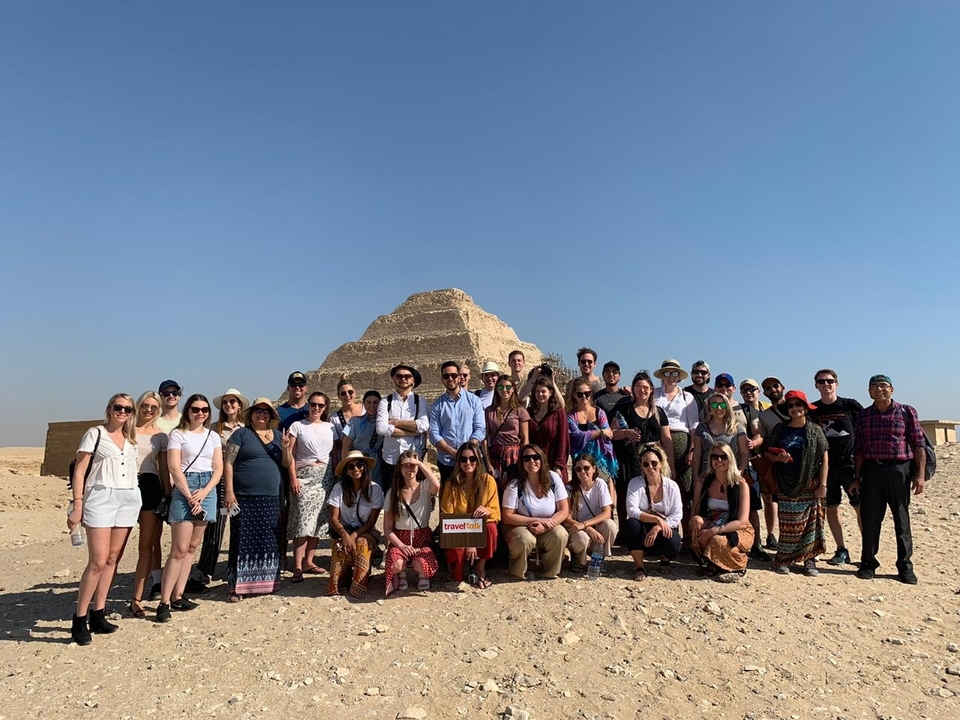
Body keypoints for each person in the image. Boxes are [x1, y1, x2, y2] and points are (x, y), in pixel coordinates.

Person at [67, 394, 141, 645]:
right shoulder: (95, 433)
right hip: (100, 497)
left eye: (128, 409)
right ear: (109, 409)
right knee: (97, 560)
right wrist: (77, 505)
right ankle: (79, 618)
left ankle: (98, 613)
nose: (122, 412)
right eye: (118, 407)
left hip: (128, 499)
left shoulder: (131, 439)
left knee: (112, 558)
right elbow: (79, 471)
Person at [852, 374, 926, 584]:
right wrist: (857, 478)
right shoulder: (864, 416)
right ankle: (868, 563)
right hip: (872, 471)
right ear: (869, 392)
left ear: (892, 389)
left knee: (901, 521)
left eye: (883, 386)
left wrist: (920, 475)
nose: (879, 390)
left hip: (899, 470)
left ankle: (905, 566)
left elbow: (918, 444)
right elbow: (859, 449)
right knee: (870, 520)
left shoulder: (906, 411)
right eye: (874, 386)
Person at [157, 394, 223, 622]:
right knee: (179, 548)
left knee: (192, 547)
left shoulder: (212, 436)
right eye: (196, 409)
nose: (200, 413)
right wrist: (189, 496)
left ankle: (178, 594)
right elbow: (174, 467)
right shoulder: (177, 434)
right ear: (188, 410)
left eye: (205, 410)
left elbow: (218, 468)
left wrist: (204, 493)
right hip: (185, 486)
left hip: (207, 489)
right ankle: (163, 602)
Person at [222, 398, 285, 602]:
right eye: (258, 410)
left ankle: (266, 582)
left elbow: (286, 463)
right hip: (244, 496)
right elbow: (228, 463)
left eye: (266, 411)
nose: (262, 414)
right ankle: (238, 586)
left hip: (271, 497)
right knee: (242, 539)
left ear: (272, 416)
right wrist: (229, 492)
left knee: (268, 539)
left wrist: (287, 448)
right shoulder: (241, 434)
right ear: (251, 414)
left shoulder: (277, 436)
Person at [764, 390, 829, 577]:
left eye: (798, 404)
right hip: (786, 483)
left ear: (805, 408)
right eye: (790, 405)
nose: (794, 408)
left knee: (812, 525)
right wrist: (779, 459)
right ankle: (784, 559)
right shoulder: (780, 428)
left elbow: (825, 459)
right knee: (789, 525)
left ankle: (809, 560)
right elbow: (767, 453)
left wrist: (822, 485)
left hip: (811, 484)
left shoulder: (815, 430)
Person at [193, 388, 249, 588]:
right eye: (226, 402)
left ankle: (236, 565)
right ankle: (205, 569)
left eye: (233, 401)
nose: (229, 405)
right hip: (220, 483)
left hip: (241, 481)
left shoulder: (247, 428)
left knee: (240, 525)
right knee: (215, 526)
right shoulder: (215, 428)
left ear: (239, 405)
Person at [609, 371, 674, 538]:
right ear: (633, 389)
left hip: (653, 461)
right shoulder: (624, 408)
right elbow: (612, 432)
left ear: (651, 389)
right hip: (629, 458)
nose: (642, 390)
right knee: (625, 493)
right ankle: (625, 532)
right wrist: (626, 433)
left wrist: (670, 465)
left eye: (645, 387)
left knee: (650, 494)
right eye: (638, 386)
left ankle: (649, 530)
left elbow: (667, 440)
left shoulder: (659, 411)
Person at [810, 369, 864, 567]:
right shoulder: (812, 410)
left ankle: (868, 551)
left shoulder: (850, 405)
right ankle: (842, 549)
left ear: (837, 384)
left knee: (860, 508)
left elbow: (866, 428)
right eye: (821, 381)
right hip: (826, 468)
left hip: (850, 466)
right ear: (816, 385)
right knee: (832, 509)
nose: (826, 385)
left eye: (830, 381)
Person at [286, 392, 335, 582]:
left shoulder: (331, 427)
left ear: (325, 407)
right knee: (303, 522)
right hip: (304, 477)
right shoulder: (297, 426)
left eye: (320, 406)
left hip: (325, 478)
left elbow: (336, 452)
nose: (316, 408)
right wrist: (293, 479)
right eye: (313, 404)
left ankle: (309, 561)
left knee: (318, 522)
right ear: (308, 405)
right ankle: (297, 566)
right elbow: (290, 454)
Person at [501, 444, 570, 580]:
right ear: (522, 462)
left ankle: (550, 572)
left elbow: (564, 510)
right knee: (524, 539)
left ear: (542, 459)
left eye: (535, 457)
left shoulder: (553, 479)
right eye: (526, 458)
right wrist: (536, 521)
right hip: (521, 526)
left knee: (560, 534)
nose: (531, 461)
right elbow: (507, 516)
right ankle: (516, 572)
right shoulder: (515, 484)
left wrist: (546, 525)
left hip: (547, 525)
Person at [689, 441, 754, 582]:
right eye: (715, 456)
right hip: (713, 522)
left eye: (723, 457)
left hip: (738, 529)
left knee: (718, 541)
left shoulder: (741, 484)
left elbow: (742, 522)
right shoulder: (703, 482)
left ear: (730, 459)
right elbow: (696, 511)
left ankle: (738, 565)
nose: (719, 460)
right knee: (695, 522)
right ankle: (712, 562)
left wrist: (714, 530)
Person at [440, 440, 500, 588]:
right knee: (457, 577)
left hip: (478, 528)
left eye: (472, 459)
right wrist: (469, 542)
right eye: (463, 459)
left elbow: (496, 513)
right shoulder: (451, 484)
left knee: (491, 527)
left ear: (478, 460)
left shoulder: (488, 481)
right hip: (457, 529)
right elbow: (448, 518)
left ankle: (480, 566)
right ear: (458, 462)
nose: (468, 462)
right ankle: (454, 567)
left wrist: (488, 511)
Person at [130, 391, 169, 619]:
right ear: (139, 406)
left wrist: (168, 494)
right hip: (124, 486)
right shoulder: (126, 430)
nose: (149, 410)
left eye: (154, 407)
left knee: (146, 546)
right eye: (145, 405)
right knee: (114, 549)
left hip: (150, 486)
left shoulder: (160, 436)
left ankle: (136, 599)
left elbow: (163, 468)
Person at [326, 450, 384, 598]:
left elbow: (371, 521)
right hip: (342, 530)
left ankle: (358, 586)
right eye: (350, 467)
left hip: (366, 531)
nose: (355, 469)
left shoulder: (375, 489)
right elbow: (333, 518)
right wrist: (345, 535)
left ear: (365, 467)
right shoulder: (338, 488)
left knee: (362, 544)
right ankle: (341, 580)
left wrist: (352, 536)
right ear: (346, 471)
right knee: (340, 547)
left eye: (359, 465)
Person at [653, 359, 699, 541]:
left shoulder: (688, 397)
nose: (671, 377)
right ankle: (667, 534)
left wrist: (693, 449)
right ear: (662, 376)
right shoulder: (654, 395)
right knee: (662, 490)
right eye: (667, 373)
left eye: (674, 373)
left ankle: (688, 535)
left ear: (679, 377)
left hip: (684, 442)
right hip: (660, 443)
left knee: (686, 490)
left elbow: (694, 425)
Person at [383, 452, 441, 595]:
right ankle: (401, 573)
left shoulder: (425, 487)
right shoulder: (393, 493)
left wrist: (420, 463)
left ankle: (422, 574)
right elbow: (388, 528)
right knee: (396, 563)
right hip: (400, 538)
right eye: (406, 466)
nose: (410, 469)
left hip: (422, 537)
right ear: (399, 468)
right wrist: (401, 546)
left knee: (421, 562)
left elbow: (436, 485)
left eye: (413, 466)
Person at [624, 444, 683, 581]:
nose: (650, 467)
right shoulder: (635, 483)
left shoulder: (672, 486)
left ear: (661, 463)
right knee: (631, 524)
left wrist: (658, 526)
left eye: (654, 463)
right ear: (641, 467)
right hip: (643, 528)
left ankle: (664, 557)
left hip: (663, 528)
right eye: (646, 464)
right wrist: (656, 520)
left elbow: (677, 515)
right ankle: (639, 566)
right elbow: (632, 510)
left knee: (673, 542)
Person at [429, 360, 486, 484]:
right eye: (446, 376)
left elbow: (480, 429)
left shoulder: (474, 400)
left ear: (459, 377)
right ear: (442, 380)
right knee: (449, 501)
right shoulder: (437, 405)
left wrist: (467, 451)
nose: (450, 378)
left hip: (472, 460)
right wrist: (452, 452)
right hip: (447, 461)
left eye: (454, 375)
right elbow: (434, 434)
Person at [691, 392, 750, 508]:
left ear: (727, 407)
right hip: (707, 473)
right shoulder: (701, 427)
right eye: (714, 405)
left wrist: (740, 471)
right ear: (709, 408)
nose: (718, 408)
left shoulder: (737, 427)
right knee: (702, 508)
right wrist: (695, 477)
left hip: (730, 473)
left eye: (722, 405)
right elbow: (697, 454)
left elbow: (744, 452)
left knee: (733, 508)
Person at [564, 453, 617, 572]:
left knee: (610, 525)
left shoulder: (600, 484)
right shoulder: (570, 488)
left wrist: (585, 524)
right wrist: (586, 527)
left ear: (594, 469)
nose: (582, 472)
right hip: (578, 529)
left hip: (594, 527)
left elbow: (607, 513)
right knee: (581, 537)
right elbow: (566, 518)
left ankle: (600, 558)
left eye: (586, 468)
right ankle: (579, 558)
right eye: (578, 469)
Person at [377, 364, 429, 480]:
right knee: (390, 495)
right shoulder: (385, 401)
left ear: (413, 380)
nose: (403, 379)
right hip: (390, 459)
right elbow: (381, 428)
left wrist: (395, 423)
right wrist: (412, 432)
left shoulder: (420, 401)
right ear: (393, 378)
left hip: (413, 458)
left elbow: (423, 426)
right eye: (399, 376)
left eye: (407, 376)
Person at [755, 376, 788, 549]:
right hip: (773, 461)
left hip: (794, 462)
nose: (772, 389)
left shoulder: (794, 406)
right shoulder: (764, 416)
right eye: (768, 388)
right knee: (769, 499)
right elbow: (763, 437)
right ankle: (771, 535)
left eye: (775, 385)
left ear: (782, 386)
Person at [566, 379, 618, 481]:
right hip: (580, 463)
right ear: (574, 395)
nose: (584, 396)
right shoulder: (571, 416)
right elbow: (577, 435)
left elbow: (608, 435)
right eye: (580, 394)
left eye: (587, 393)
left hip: (601, 462)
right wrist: (600, 432)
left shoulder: (600, 413)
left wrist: (599, 433)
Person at [483, 374, 530, 485]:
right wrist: (487, 461)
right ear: (497, 389)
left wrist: (523, 460)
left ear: (513, 389)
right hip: (495, 455)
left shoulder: (520, 411)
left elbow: (525, 438)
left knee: (513, 490)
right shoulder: (489, 411)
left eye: (508, 387)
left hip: (515, 455)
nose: (504, 390)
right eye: (500, 387)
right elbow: (484, 438)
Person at [527, 374, 571, 482]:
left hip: (553, 464)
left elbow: (563, 440)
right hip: (535, 464)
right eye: (537, 392)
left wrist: (558, 465)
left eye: (543, 391)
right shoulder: (530, 412)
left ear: (550, 392)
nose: (540, 394)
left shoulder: (558, 413)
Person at [341, 390, 385, 489]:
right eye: (368, 402)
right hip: (357, 461)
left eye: (375, 402)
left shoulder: (384, 424)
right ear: (364, 404)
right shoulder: (355, 421)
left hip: (376, 463)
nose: (372, 406)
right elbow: (346, 445)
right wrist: (345, 466)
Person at [330, 375, 364, 470]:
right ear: (338, 396)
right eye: (343, 393)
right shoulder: (334, 418)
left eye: (350, 392)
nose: (347, 395)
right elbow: (335, 445)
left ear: (355, 393)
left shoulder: (367, 410)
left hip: (368, 459)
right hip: (348, 462)